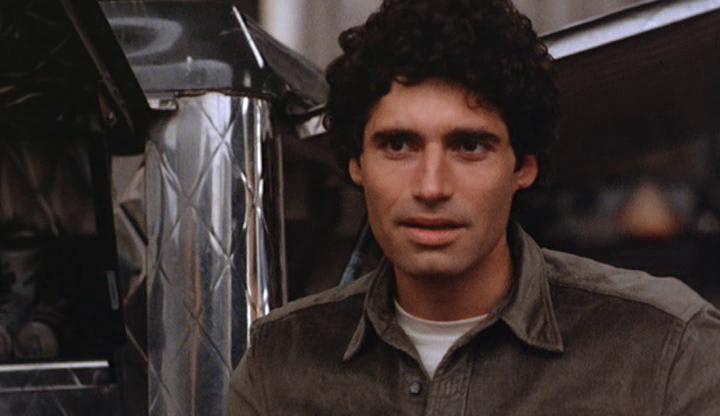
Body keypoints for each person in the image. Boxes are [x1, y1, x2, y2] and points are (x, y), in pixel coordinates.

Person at [227, 0, 720, 414]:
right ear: (357, 164)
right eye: (398, 145)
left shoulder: (664, 349)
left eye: (469, 146)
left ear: (522, 167)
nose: (431, 186)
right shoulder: (282, 363)